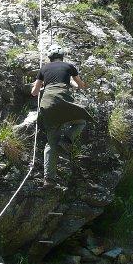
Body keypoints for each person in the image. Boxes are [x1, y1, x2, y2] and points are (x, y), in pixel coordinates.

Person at [31, 46, 91, 185]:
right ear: (62, 56)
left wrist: (42, 86)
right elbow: (80, 85)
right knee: (81, 121)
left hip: (47, 105)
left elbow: (34, 92)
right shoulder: (69, 66)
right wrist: (77, 84)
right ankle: (66, 141)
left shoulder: (44, 69)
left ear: (50, 58)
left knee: (51, 143)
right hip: (64, 102)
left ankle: (49, 179)